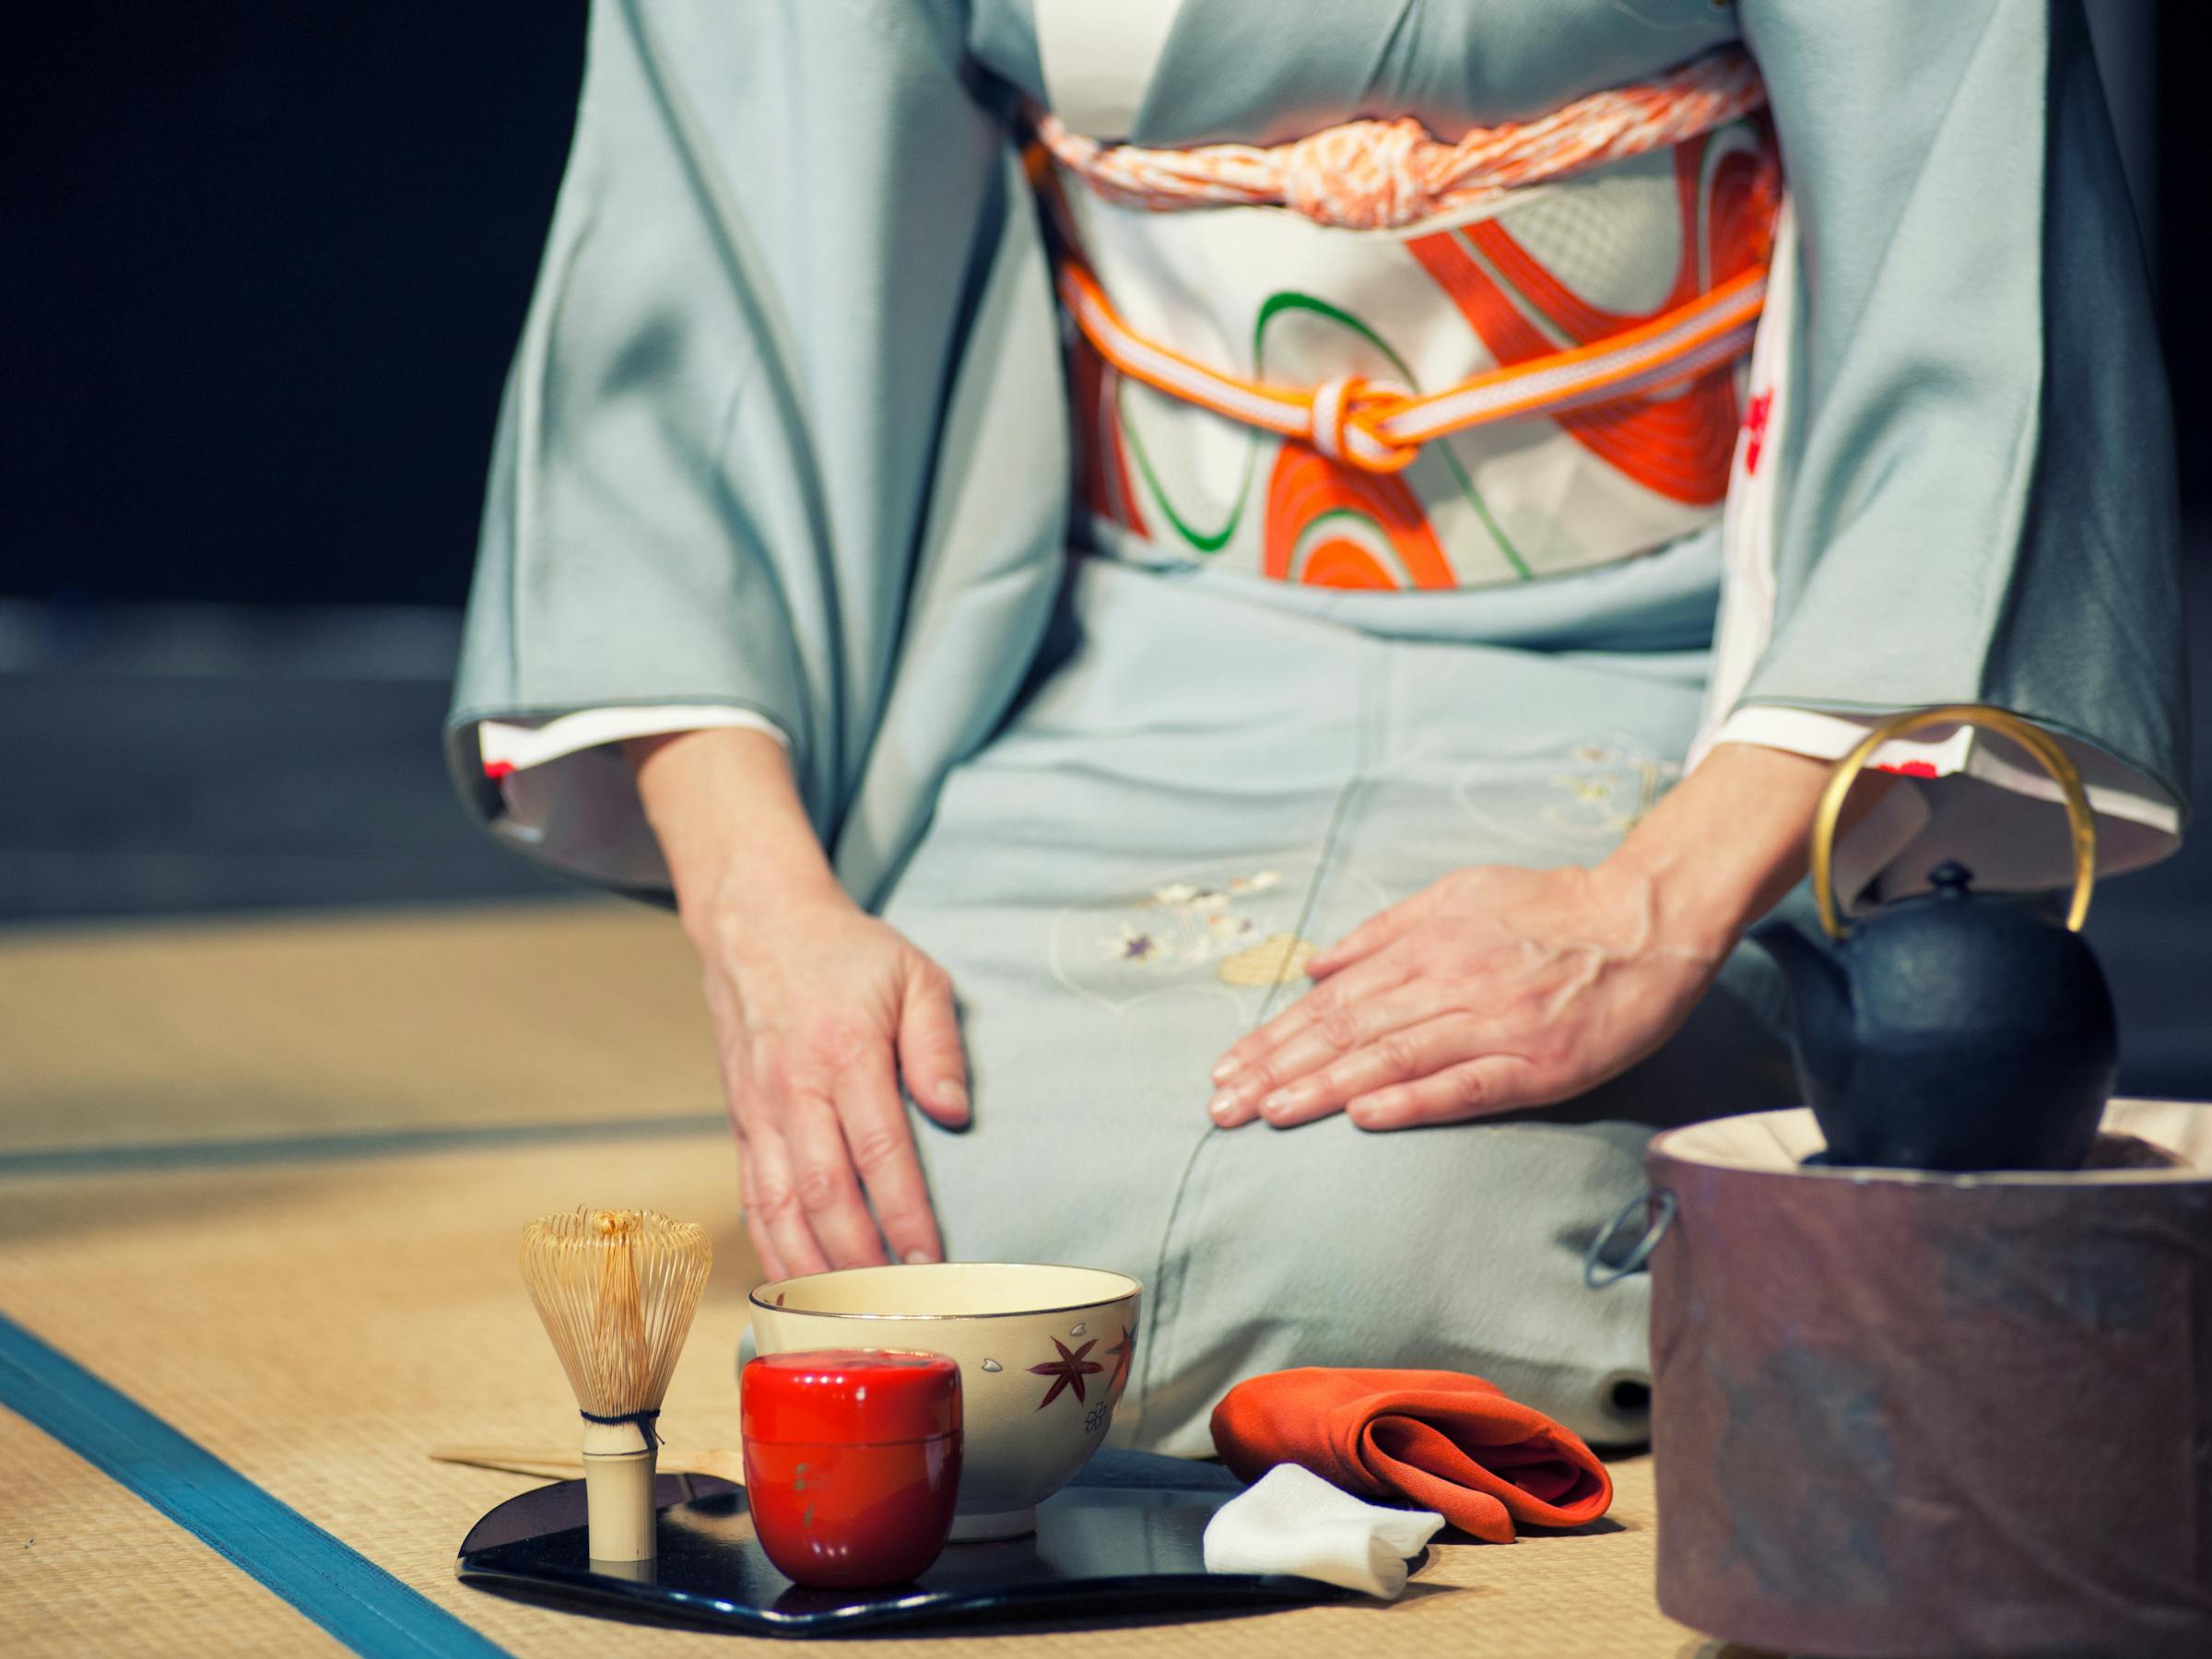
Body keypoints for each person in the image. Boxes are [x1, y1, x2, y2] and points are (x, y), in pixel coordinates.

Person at [448, 0, 2184, 1453]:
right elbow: (701, 276)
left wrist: (1651, 906)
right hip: (1133, 652)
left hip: (1686, 685)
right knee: (958, 1244)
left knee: (1386, 1241)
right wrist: (770, 924)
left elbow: (1964, 247)